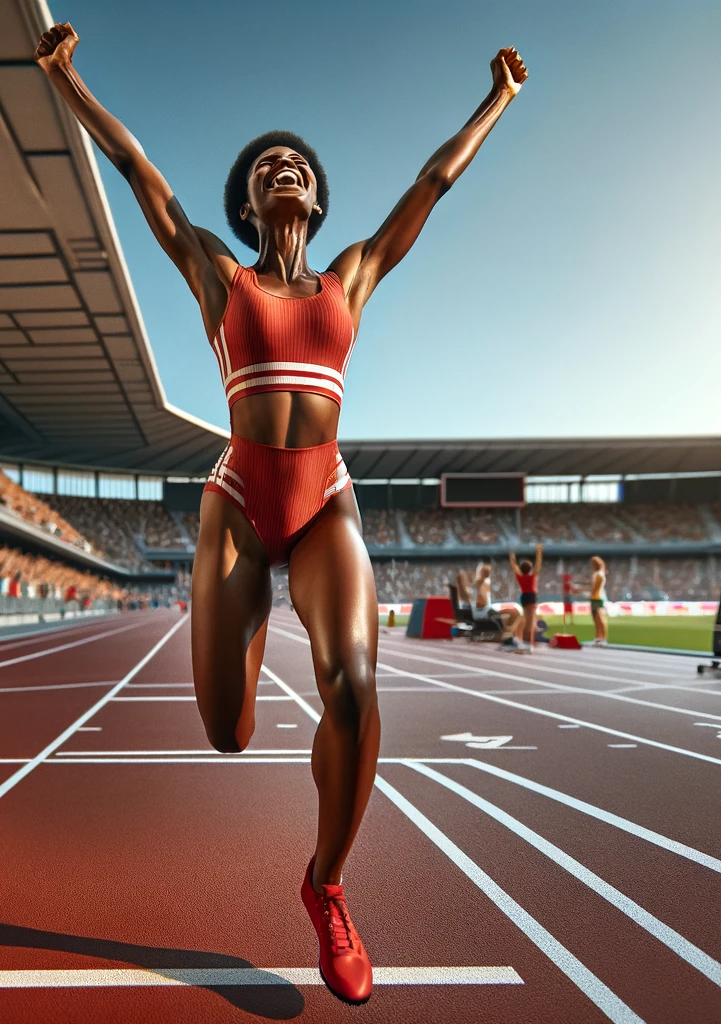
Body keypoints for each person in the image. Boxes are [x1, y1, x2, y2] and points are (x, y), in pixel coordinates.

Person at [36, 21, 527, 1005]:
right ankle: (249, 622)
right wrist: (67, 80)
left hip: (323, 501)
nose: (283, 166)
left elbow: (432, 183)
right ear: (247, 204)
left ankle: (327, 885)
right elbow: (139, 174)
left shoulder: (353, 275)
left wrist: (498, 100)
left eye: (296, 162)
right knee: (227, 732)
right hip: (237, 504)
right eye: (266, 166)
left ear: (316, 197)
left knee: (353, 686)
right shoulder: (218, 273)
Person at [471, 562, 524, 648]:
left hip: (481, 610)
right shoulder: (483, 582)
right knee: (515, 612)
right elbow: (481, 601)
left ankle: (508, 635)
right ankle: (507, 635)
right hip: (484, 611)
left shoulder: (480, 583)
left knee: (514, 611)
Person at [509, 543, 543, 651]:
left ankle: (527, 643)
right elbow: (538, 564)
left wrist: (512, 555)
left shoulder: (520, 576)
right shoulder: (533, 576)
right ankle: (527, 645)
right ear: (530, 569)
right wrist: (539, 552)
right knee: (529, 624)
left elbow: (514, 566)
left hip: (524, 597)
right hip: (531, 597)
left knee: (528, 622)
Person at [586, 556, 609, 646]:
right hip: (595, 598)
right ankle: (598, 637)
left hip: (597, 598)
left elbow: (596, 587)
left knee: (599, 619)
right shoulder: (599, 573)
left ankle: (603, 638)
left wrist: (591, 593)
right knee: (596, 619)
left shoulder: (599, 574)